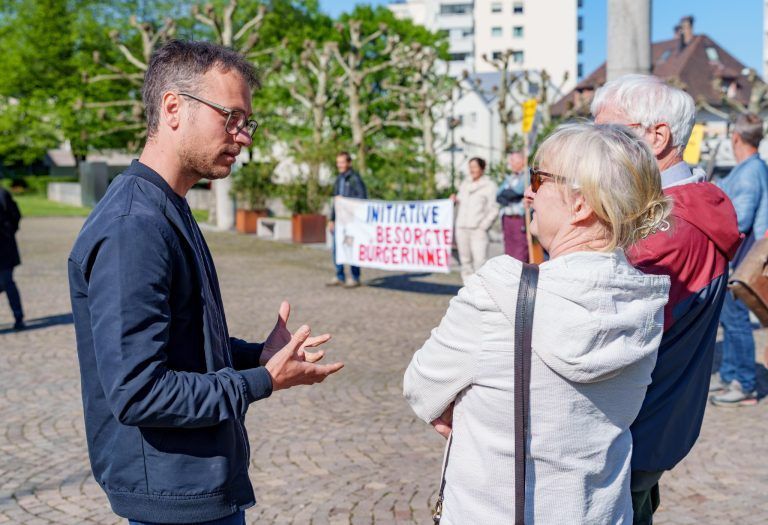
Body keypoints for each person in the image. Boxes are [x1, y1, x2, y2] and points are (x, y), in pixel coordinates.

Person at [68, 40, 343, 525]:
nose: (243, 136)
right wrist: (263, 380)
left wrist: (254, 355)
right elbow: (138, 391)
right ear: (174, 107)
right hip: (173, 499)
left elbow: (181, 343)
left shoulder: (167, 206)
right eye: (230, 117)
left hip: (195, 487)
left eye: (246, 122)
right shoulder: (135, 224)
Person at [404, 123, 671, 523]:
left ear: (580, 206)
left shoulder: (498, 293)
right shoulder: (644, 302)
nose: (528, 192)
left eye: (539, 178)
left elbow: (422, 386)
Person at [592, 74, 741, 523]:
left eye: (607, 135)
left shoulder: (665, 230)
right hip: (653, 431)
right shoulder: (689, 206)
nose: (596, 151)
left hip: (629, 436)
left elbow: (600, 338)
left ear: (657, 136)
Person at [710, 112, 768, 406]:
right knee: (731, 320)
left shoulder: (749, 171)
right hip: (738, 261)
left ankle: (744, 384)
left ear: (736, 137)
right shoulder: (752, 168)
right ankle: (732, 375)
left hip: (741, 261)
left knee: (736, 323)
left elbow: (740, 220)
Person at [452, 157, 499, 283]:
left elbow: (494, 208)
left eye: (474, 167)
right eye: (470, 167)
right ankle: (466, 289)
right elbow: (460, 201)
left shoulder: (489, 185)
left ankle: (480, 290)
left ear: (482, 168)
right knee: (465, 261)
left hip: (478, 229)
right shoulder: (465, 183)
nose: (472, 170)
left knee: (480, 261)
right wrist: (454, 200)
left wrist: (484, 226)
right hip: (462, 227)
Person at [327, 151, 367, 288]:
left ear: (349, 163)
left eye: (342, 162)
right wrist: (332, 219)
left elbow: (362, 198)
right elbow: (335, 201)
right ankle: (340, 276)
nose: (340, 165)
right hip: (340, 221)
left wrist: (346, 201)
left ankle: (355, 277)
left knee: (351, 248)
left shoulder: (355, 179)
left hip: (351, 222)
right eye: (338, 163)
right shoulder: (339, 179)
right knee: (337, 248)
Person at [496, 151, 529, 262]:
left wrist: (510, 193)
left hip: (519, 218)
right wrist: (510, 194)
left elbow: (517, 192)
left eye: (513, 161)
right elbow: (498, 195)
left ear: (523, 161)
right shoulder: (510, 177)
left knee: (520, 250)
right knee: (508, 249)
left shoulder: (528, 175)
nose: (511, 164)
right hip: (507, 217)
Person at [0, 186, 24, 330]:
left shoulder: (2, 194)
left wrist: (7, 232)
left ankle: (18, 316)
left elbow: (15, 215)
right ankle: (18, 315)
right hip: (5, 247)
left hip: (4, 248)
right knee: (7, 283)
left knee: (7, 282)